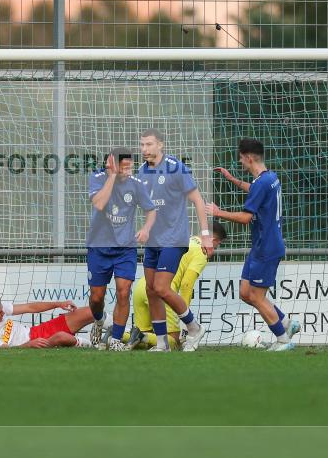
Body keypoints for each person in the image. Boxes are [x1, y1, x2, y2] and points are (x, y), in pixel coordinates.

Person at [208, 138, 300, 351]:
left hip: (267, 247)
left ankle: (283, 340)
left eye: (241, 158)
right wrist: (233, 179)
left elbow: (245, 218)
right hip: (260, 246)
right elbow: (256, 190)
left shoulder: (262, 183)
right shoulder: (269, 178)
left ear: (249, 157)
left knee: (257, 297)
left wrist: (218, 212)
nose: (240, 162)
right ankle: (287, 324)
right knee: (245, 292)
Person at [136, 128, 214, 351]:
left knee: (161, 287)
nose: (144, 149)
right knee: (151, 290)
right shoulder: (141, 172)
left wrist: (205, 235)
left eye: (149, 144)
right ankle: (162, 343)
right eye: (142, 145)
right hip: (153, 241)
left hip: (174, 239)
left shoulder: (176, 167)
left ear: (160, 145)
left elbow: (197, 200)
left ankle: (194, 327)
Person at [87, 148, 156, 351]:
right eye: (124, 167)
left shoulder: (136, 184)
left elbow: (151, 210)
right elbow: (99, 204)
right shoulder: (98, 178)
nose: (128, 171)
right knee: (96, 297)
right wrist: (112, 177)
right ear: (113, 165)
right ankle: (99, 320)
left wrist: (146, 228)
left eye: (130, 167)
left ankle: (115, 339)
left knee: (123, 292)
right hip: (99, 248)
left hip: (125, 248)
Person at [126, 221, 227, 351]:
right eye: (218, 244)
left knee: (144, 341)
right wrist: (184, 315)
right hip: (162, 290)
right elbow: (186, 284)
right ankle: (140, 336)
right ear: (213, 240)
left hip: (143, 287)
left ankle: (117, 333)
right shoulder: (202, 250)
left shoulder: (184, 241)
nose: (216, 248)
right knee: (173, 342)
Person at [0, 294, 95, 349]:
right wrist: (28, 345)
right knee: (61, 337)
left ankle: (105, 332)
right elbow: (6, 350)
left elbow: (30, 307)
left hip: (37, 330)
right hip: (35, 344)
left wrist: (59, 304)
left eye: (2, 310)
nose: (3, 313)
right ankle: (92, 346)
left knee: (90, 312)